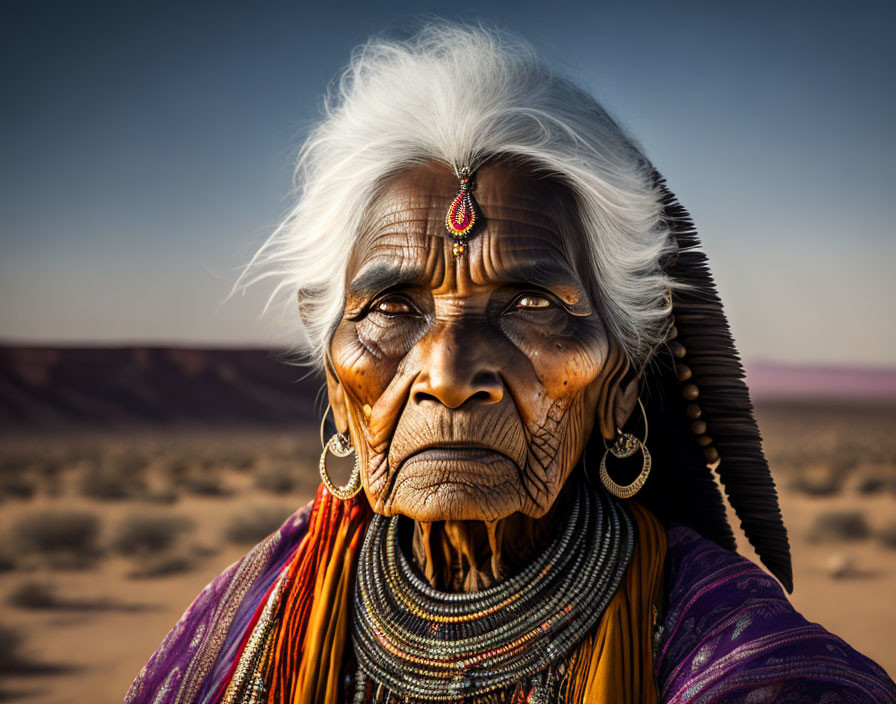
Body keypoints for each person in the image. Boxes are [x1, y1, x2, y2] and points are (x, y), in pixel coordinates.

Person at [125, 23, 896, 704]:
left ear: (622, 378)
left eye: (531, 304)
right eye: (393, 309)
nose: (451, 373)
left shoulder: (741, 661)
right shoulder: (254, 621)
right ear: (333, 368)